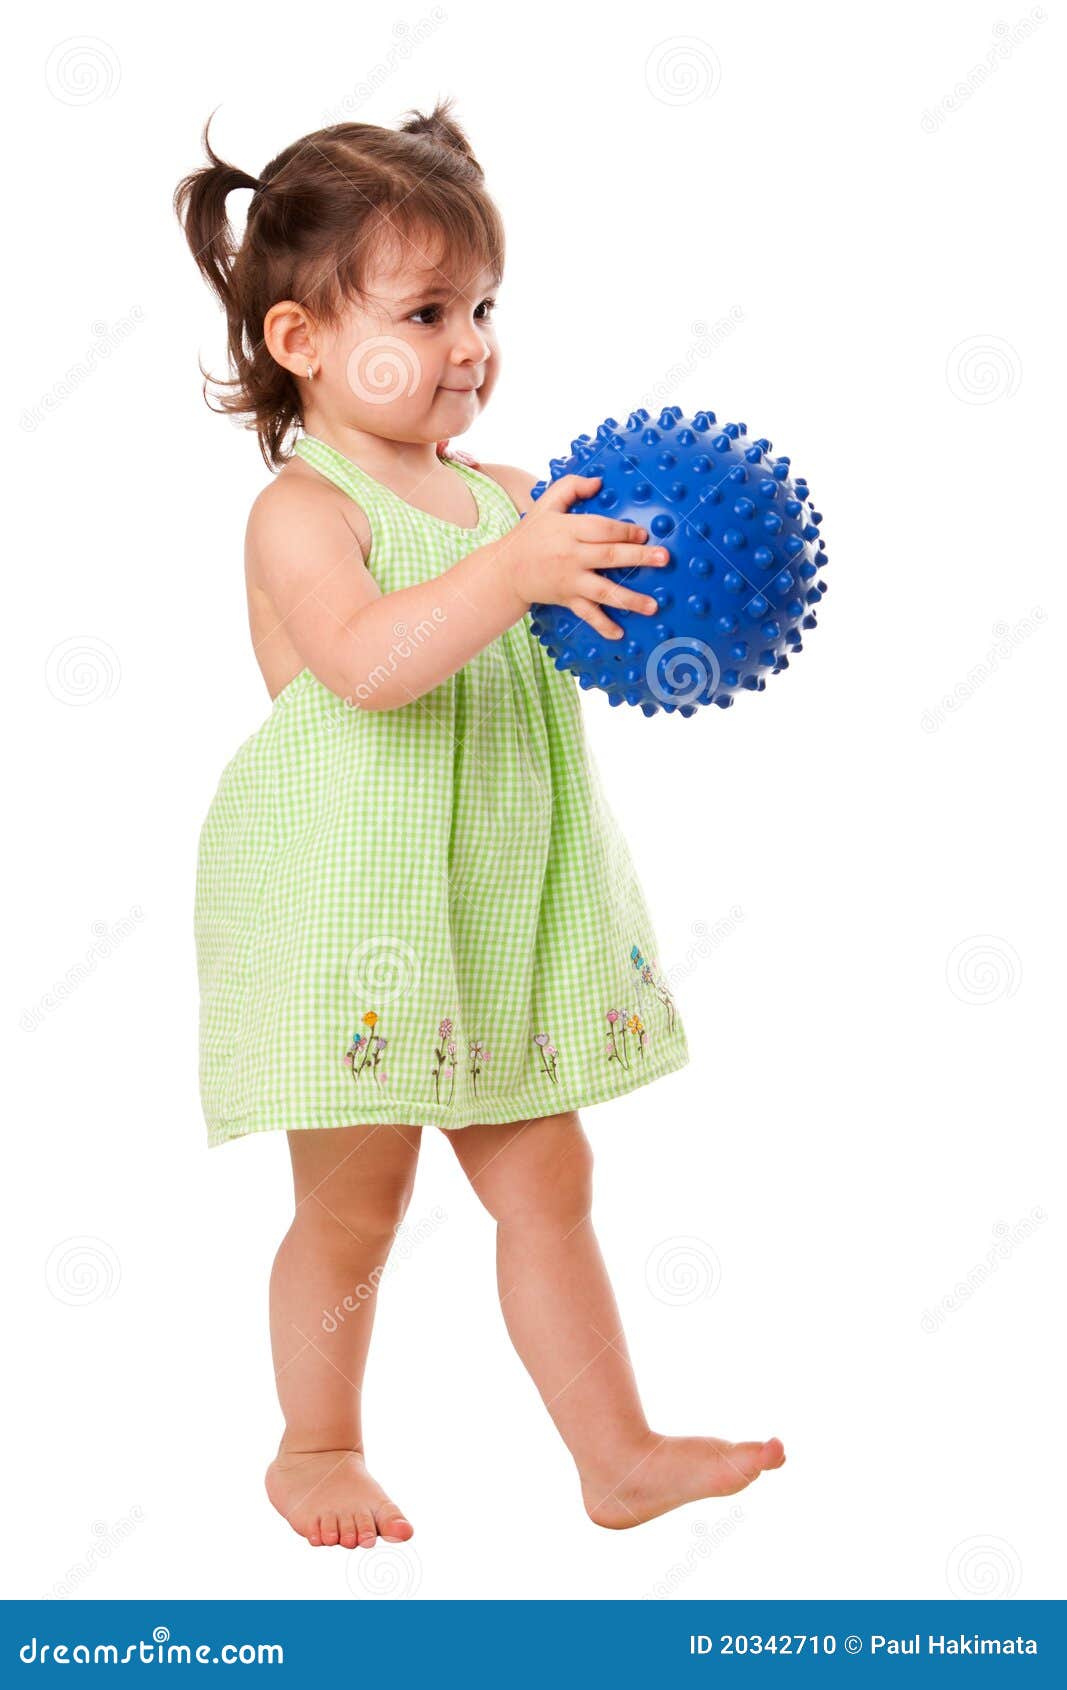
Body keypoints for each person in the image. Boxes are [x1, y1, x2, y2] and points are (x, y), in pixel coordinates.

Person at [174, 97, 785, 1553]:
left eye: (486, 306)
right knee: (358, 1201)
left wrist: (663, 578)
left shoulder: (506, 494)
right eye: (431, 309)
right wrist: (516, 571)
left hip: (496, 903)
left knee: (550, 1176)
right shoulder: (302, 515)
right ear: (301, 344)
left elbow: (576, 596)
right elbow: (375, 666)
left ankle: (615, 1450)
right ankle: (313, 1440)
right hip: (353, 912)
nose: (473, 344)